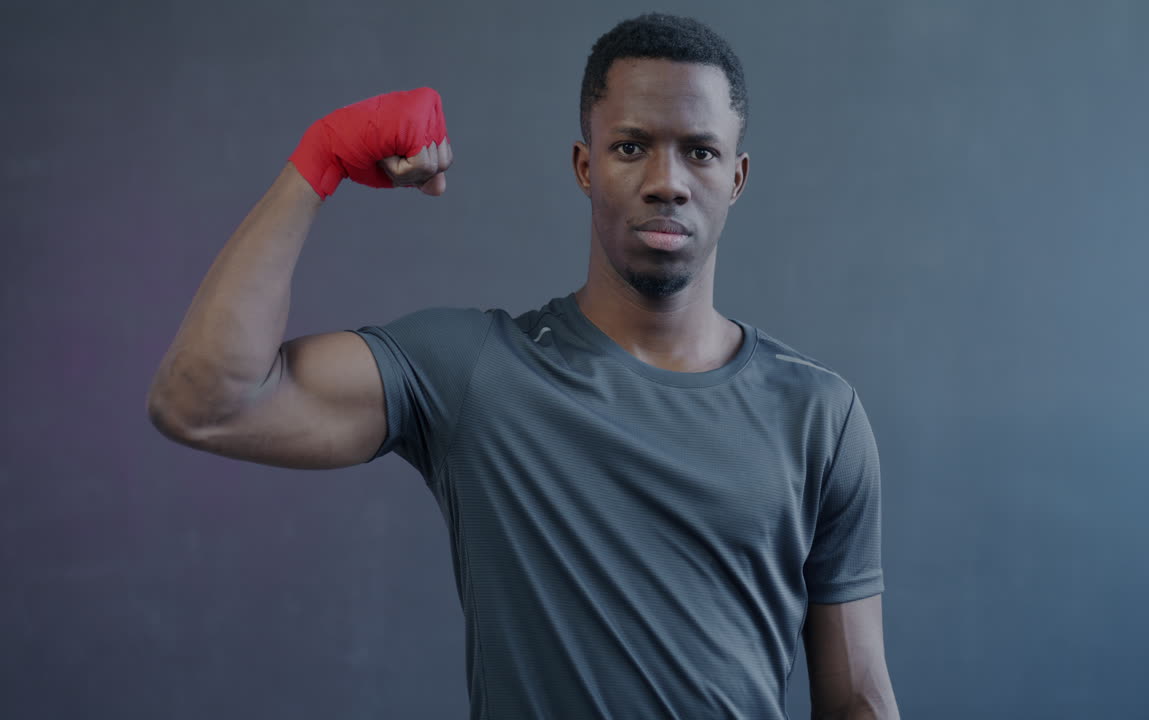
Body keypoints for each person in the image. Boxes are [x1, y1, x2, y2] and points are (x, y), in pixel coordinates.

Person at [146, 12, 899, 720]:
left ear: (734, 178)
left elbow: (859, 701)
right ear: (585, 165)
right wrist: (317, 163)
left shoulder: (819, 417)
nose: (667, 180)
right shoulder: (476, 375)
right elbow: (205, 401)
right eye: (631, 146)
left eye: (699, 151)